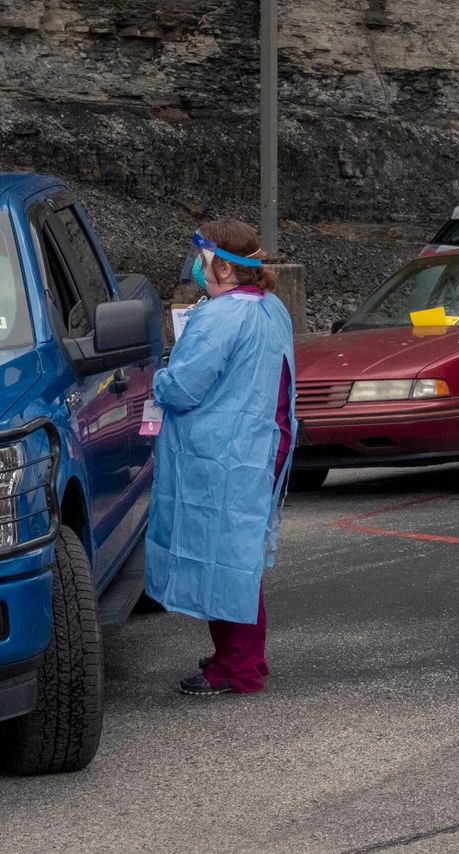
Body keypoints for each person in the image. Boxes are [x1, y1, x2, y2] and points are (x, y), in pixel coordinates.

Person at [145, 219, 296, 696]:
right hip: (258, 446)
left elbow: (185, 387)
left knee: (224, 561)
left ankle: (238, 669)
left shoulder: (219, 316)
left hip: (222, 453)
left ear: (224, 268)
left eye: (203, 257)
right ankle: (242, 658)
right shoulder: (272, 308)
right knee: (236, 557)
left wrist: (156, 379)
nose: (197, 265)